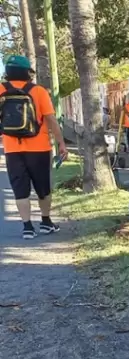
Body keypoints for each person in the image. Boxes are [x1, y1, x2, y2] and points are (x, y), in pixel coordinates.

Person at [0, 55, 68, 240]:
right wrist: (61, 143)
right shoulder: (38, 91)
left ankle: (27, 227)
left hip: (12, 148)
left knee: (20, 189)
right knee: (43, 187)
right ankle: (46, 222)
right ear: (27, 72)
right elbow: (51, 119)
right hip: (39, 147)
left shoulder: (0, 90)